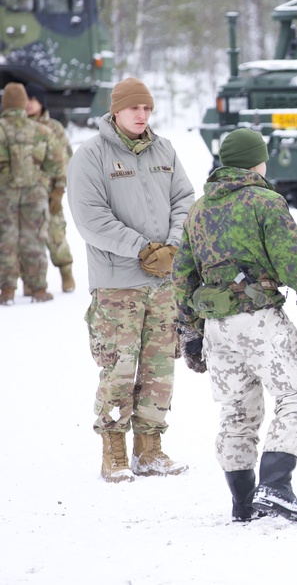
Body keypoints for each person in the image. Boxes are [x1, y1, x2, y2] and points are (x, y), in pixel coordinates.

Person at [173, 128, 297, 524]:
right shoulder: (266, 201)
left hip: (216, 326)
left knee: (237, 410)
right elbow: (292, 263)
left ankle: (244, 502)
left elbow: (182, 276)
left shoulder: (198, 209)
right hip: (258, 320)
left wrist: (190, 332)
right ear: (257, 161)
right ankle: (276, 486)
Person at [67, 77, 194, 483]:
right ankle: (114, 451)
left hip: (163, 282)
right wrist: (142, 248)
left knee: (160, 368)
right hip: (117, 281)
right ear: (116, 111)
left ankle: (150, 449)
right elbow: (91, 219)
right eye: (134, 108)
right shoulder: (90, 156)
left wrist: (172, 246)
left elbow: (184, 200)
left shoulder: (165, 149)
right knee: (119, 369)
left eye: (147, 109)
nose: (142, 116)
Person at [0, 82, 65, 304]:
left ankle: (7, 290)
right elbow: (57, 165)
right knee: (35, 239)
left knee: (5, 240)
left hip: (4, 194)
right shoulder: (42, 130)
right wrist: (51, 185)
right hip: (35, 193)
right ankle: (38, 289)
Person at [25, 82, 76, 293]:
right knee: (25, 239)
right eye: (25, 99)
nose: (28, 104)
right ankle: (30, 281)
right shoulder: (13, 127)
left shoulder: (54, 128)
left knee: (55, 234)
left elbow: (66, 160)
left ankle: (66, 272)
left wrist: (59, 190)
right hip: (23, 195)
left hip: (48, 193)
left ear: (41, 102)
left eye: (33, 99)